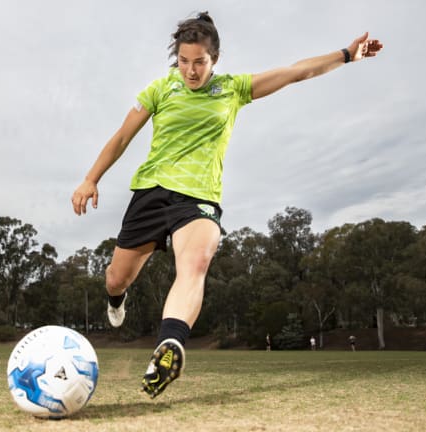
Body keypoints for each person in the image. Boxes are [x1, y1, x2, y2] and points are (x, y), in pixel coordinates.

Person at [71, 12, 383, 398]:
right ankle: (116, 299)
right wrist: (91, 178)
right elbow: (122, 137)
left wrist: (346, 55)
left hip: (200, 196)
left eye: (199, 62)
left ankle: (168, 348)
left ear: (214, 59)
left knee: (195, 264)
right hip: (151, 192)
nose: (190, 70)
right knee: (116, 277)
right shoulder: (159, 89)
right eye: (183, 61)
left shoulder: (233, 89)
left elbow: (295, 72)